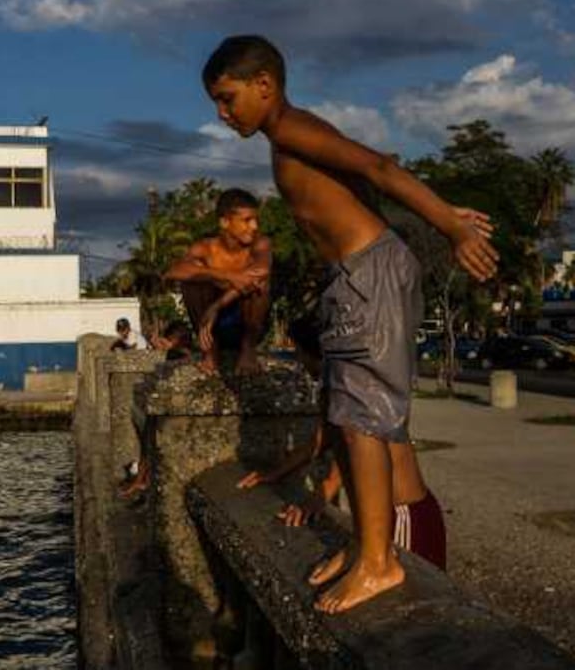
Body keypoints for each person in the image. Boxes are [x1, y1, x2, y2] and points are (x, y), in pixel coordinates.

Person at [202, 35, 496, 613]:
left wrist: (450, 225)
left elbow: (377, 166)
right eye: (216, 102)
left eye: (227, 98)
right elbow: (360, 189)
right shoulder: (288, 136)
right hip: (352, 276)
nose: (222, 113)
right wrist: (435, 218)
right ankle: (366, 546)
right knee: (343, 415)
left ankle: (380, 563)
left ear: (264, 85)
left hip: (368, 273)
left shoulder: (292, 129)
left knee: (364, 419)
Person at [235, 315, 446, 571]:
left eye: (298, 353)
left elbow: (353, 441)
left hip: (403, 512)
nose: (298, 362)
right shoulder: (336, 380)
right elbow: (321, 441)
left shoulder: (345, 381)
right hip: (401, 511)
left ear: (310, 352)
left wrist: (322, 492)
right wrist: (274, 473)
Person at [164, 188, 272, 374]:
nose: (254, 226)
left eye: (256, 220)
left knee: (261, 283)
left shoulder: (260, 244)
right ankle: (210, 352)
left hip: (249, 324)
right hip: (210, 327)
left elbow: (261, 272)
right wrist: (228, 276)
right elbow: (174, 272)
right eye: (247, 220)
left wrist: (217, 306)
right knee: (192, 279)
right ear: (225, 222)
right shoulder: (205, 248)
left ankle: (248, 350)